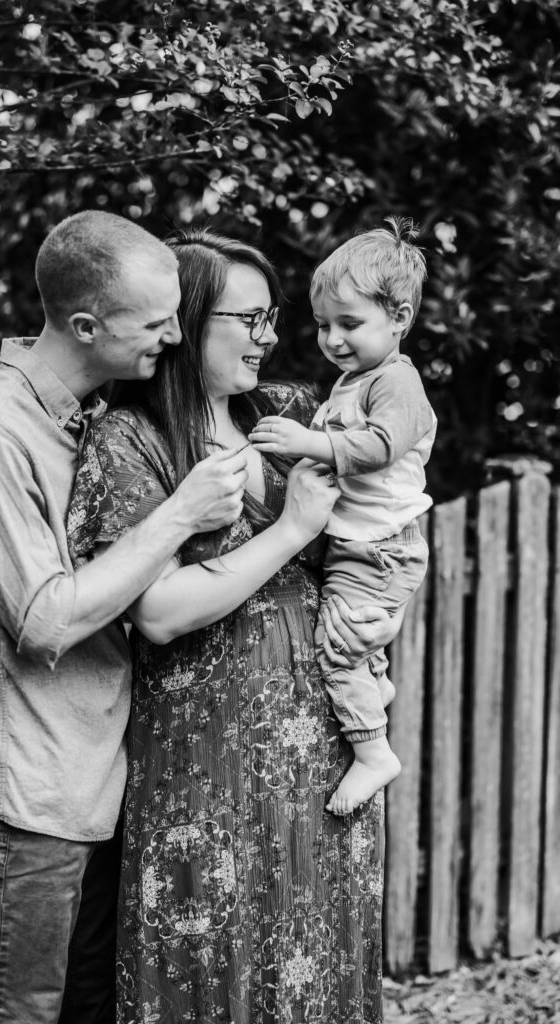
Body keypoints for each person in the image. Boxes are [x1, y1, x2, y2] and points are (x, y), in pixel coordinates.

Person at [0, 211, 258, 1024]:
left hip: (98, 781)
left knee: (87, 1009)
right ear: (84, 325)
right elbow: (46, 619)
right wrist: (176, 517)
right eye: (155, 320)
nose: (175, 336)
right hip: (29, 793)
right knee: (15, 1013)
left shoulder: (85, 424)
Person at [67, 228, 404, 1023]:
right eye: (248, 320)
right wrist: (287, 532)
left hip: (325, 744)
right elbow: (156, 612)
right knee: (206, 958)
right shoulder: (132, 440)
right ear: (187, 320)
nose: (270, 337)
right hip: (200, 753)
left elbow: (385, 494)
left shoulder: (291, 414)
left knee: (317, 951)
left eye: (270, 318)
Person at [249, 217, 437, 816]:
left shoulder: (397, 384)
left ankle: (373, 750)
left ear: (400, 318)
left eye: (350, 324)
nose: (332, 339)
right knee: (353, 640)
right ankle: (372, 683)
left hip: (378, 549)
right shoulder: (354, 380)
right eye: (326, 324)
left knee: (336, 649)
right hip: (366, 545)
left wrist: (310, 443)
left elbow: (379, 447)